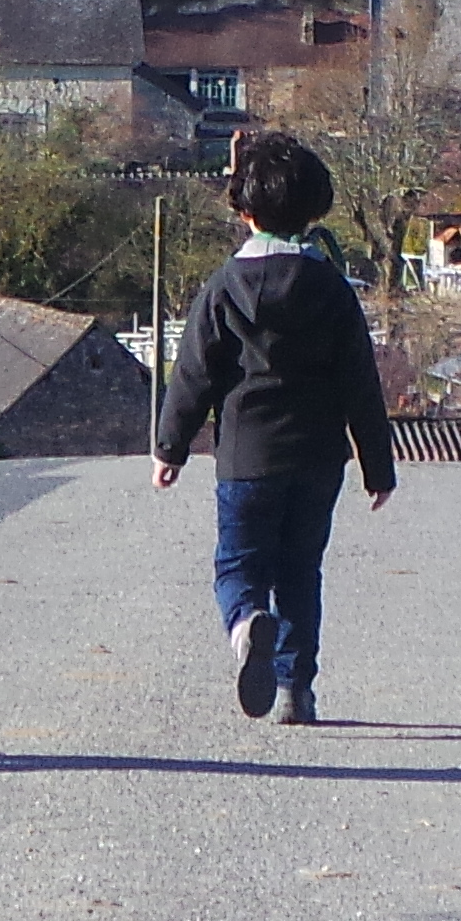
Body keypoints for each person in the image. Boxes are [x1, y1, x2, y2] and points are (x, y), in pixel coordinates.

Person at [150, 129, 397, 727]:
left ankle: (243, 627)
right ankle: (294, 690)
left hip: (245, 459)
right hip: (317, 460)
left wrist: (170, 447)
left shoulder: (222, 288)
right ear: (316, 209)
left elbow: (193, 374)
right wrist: (377, 468)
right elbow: (360, 382)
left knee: (239, 566)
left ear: (242, 210)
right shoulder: (333, 291)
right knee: (299, 573)